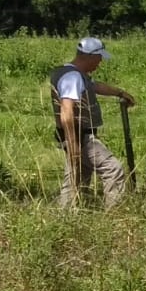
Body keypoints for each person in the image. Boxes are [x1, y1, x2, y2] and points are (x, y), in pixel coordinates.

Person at [49, 36, 135, 209]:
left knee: (77, 176)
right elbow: (66, 112)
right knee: (113, 169)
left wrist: (120, 92)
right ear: (89, 56)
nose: (101, 61)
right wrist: (74, 144)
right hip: (80, 136)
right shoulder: (73, 77)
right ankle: (115, 215)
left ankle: (65, 215)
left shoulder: (72, 73)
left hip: (76, 136)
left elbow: (94, 86)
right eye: (99, 57)